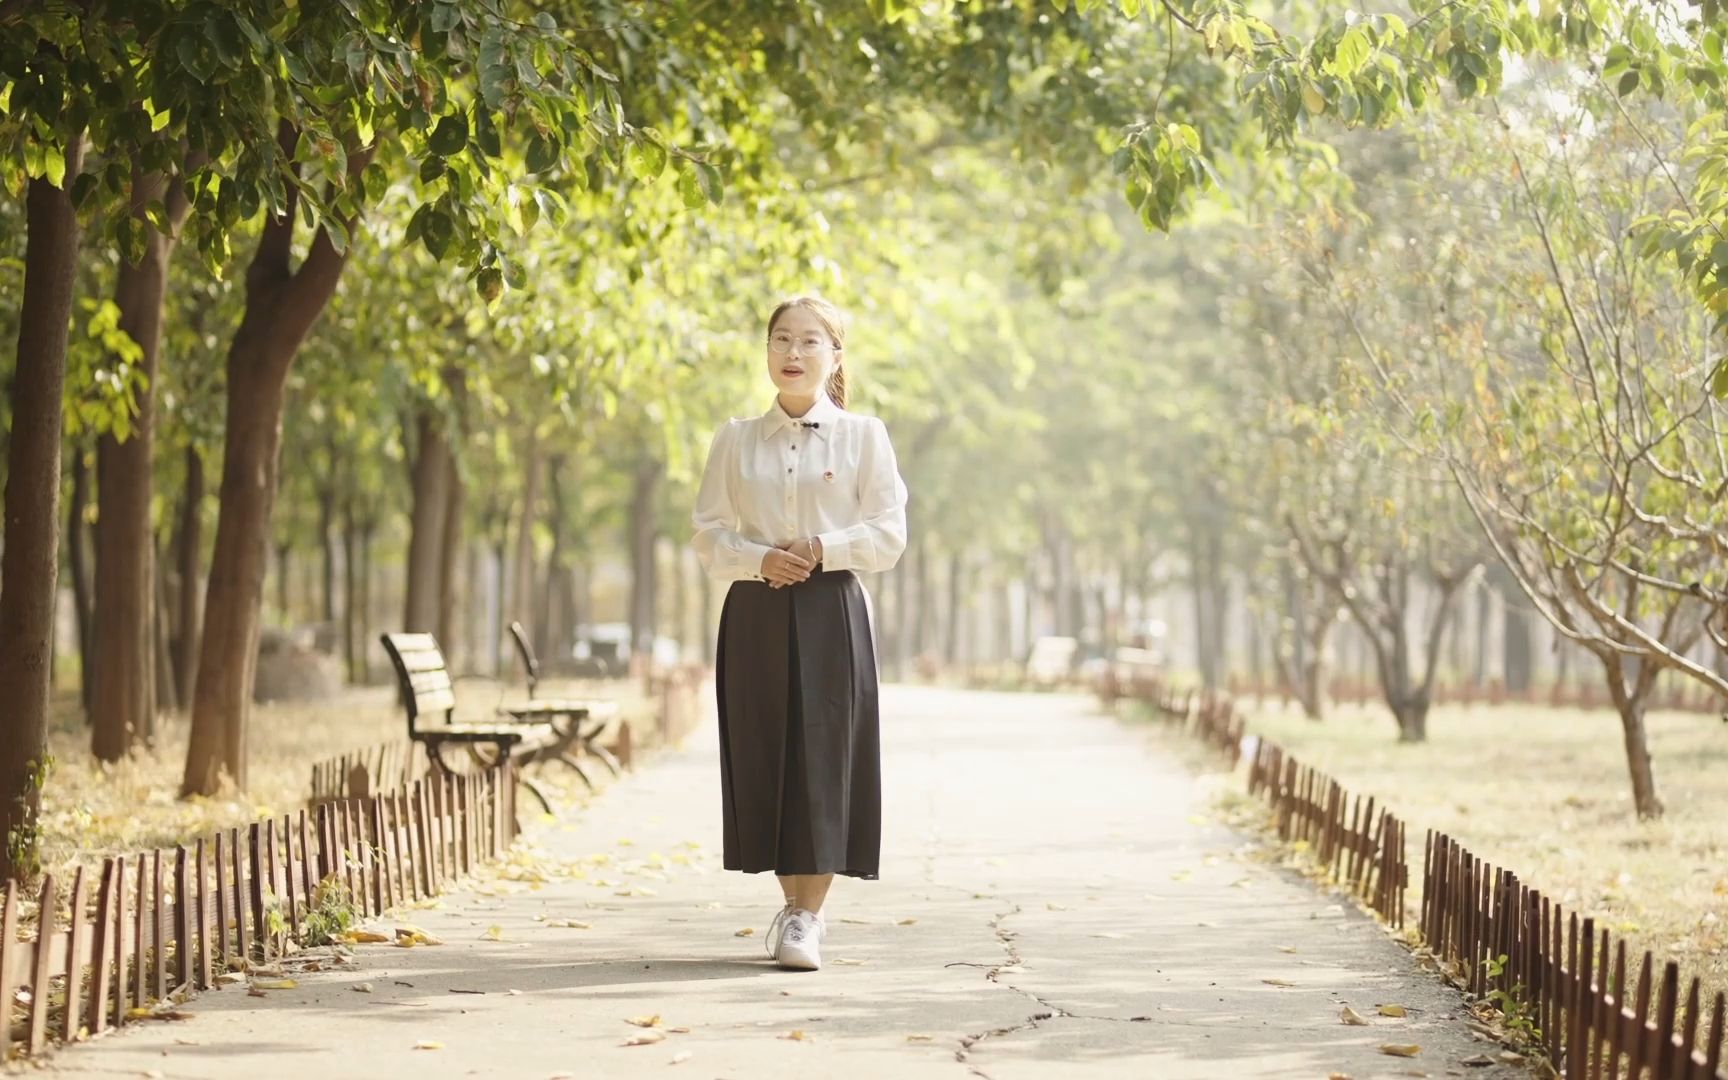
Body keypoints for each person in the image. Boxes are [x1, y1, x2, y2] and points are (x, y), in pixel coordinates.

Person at [691, 295, 909, 971]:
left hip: (831, 611)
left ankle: (808, 918)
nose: (792, 353)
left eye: (809, 342)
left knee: (824, 760)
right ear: (766, 352)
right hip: (755, 611)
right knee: (769, 757)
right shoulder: (734, 438)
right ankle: (790, 907)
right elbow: (707, 533)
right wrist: (759, 559)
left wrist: (822, 547)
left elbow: (889, 535)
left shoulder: (864, 436)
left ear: (834, 356)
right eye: (781, 339)